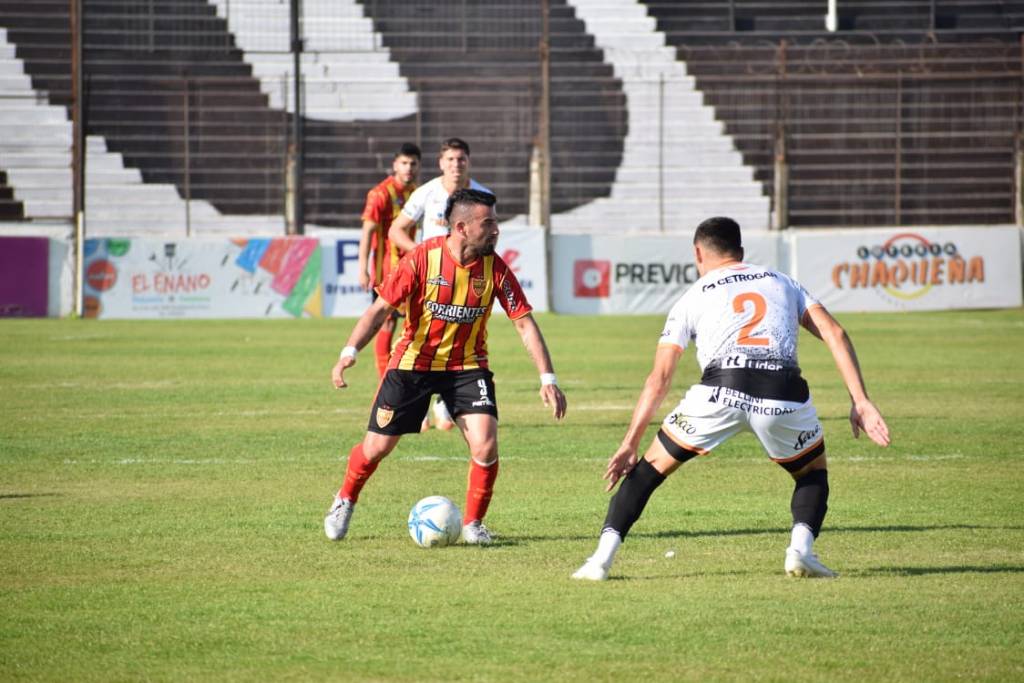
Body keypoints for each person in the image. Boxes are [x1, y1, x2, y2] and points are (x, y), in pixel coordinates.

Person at [572, 216, 890, 581]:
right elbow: (835, 334)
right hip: (782, 393)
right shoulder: (782, 282)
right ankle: (800, 552)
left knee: (646, 472)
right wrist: (860, 401)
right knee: (812, 474)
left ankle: (599, 562)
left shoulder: (692, 296)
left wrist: (630, 442)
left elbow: (659, 378)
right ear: (740, 250)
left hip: (719, 392)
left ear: (698, 253)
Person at [325, 188, 567, 545]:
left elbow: (524, 323)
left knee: (485, 444)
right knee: (377, 447)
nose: (496, 230)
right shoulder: (422, 259)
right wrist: (349, 351)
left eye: (496, 222)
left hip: (467, 366)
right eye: (488, 223)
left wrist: (548, 378)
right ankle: (345, 498)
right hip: (413, 363)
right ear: (462, 228)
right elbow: (380, 309)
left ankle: (473, 524)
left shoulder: (495, 268)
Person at [387, 137, 492, 430]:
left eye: (461, 159)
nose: (456, 164)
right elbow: (396, 230)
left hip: (468, 278)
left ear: (469, 162)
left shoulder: (483, 195)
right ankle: (417, 398)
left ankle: (446, 401)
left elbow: (490, 237)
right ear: (441, 163)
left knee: (464, 336)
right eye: (450, 159)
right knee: (420, 334)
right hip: (430, 278)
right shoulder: (426, 192)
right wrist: (421, 256)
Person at [356, 142, 422, 378]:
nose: (408, 168)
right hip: (387, 272)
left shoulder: (418, 192)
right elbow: (367, 232)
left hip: (413, 269)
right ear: (395, 165)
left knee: (415, 323)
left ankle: (410, 374)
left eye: (413, 163)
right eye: (404, 163)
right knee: (386, 323)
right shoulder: (380, 194)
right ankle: (385, 380)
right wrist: (362, 269)